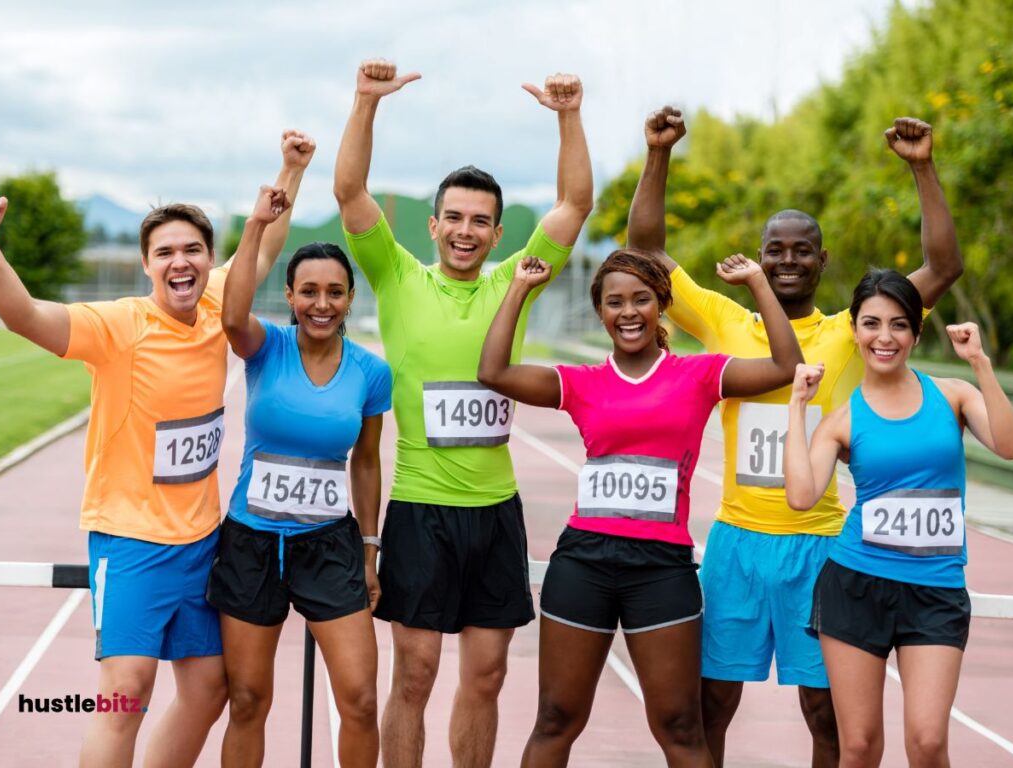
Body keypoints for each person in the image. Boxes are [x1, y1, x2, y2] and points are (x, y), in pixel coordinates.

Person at [625, 107, 963, 767]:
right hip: (737, 546)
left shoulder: (849, 331)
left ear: (820, 260)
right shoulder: (724, 320)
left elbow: (942, 267)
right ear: (759, 254)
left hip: (821, 547)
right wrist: (658, 154)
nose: (786, 261)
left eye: (800, 250)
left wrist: (922, 168)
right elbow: (645, 256)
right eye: (774, 249)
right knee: (711, 705)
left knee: (827, 718)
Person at [0, 130, 314, 767]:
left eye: (193, 249)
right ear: (147, 264)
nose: (180, 261)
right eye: (165, 251)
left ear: (209, 258)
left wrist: (292, 167)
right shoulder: (117, 326)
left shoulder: (221, 300)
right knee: (125, 694)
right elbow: (24, 315)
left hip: (201, 541)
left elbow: (268, 241)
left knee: (208, 689)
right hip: (131, 540)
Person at [333, 58, 593, 767]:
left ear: (500, 232)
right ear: (433, 222)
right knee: (414, 676)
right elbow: (350, 190)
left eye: (481, 221)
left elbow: (574, 206)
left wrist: (568, 116)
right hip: (420, 510)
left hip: (495, 511)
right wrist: (366, 103)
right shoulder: (397, 276)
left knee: (488, 675)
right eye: (454, 217)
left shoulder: (517, 282)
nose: (466, 230)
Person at [478, 249, 803, 767]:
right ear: (601, 312)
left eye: (641, 300)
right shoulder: (582, 382)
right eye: (614, 303)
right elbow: (493, 371)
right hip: (584, 562)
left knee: (679, 724)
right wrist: (519, 287)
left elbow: (787, 366)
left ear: (661, 306)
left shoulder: (698, 376)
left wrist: (760, 283)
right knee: (557, 717)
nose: (628, 312)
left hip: (661, 569)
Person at [784, 270, 1013, 767]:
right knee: (861, 747)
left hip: (935, 591)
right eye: (871, 324)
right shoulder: (841, 420)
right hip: (855, 585)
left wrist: (980, 363)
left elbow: (1009, 444)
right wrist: (796, 407)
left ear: (915, 333)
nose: (884, 337)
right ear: (854, 329)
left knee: (928, 742)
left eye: (899, 325)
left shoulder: (953, 395)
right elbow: (802, 496)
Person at [207, 183, 391, 767]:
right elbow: (231, 314)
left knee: (360, 699)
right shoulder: (267, 347)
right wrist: (256, 225)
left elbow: (366, 460)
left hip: (329, 545)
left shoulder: (370, 371)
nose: (322, 303)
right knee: (248, 699)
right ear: (289, 295)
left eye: (335, 292)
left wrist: (368, 550)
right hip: (251, 542)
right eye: (309, 290)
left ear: (350, 297)